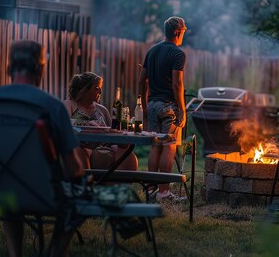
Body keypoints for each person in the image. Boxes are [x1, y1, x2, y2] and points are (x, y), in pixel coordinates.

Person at [0, 40, 89, 257]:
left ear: (10, 69)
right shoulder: (52, 107)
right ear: (40, 69)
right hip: (43, 193)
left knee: (9, 181)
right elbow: (74, 169)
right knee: (82, 188)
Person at [139, 16, 187, 203]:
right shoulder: (178, 54)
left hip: (152, 105)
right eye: (183, 31)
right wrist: (182, 110)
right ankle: (164, 192)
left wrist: (144, 107)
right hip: (169, 107)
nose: (183, 34)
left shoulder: (152, 51)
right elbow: (177, 84)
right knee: (169, 146)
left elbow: (141, 80)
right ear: (177, 32)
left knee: (155, 146)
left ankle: (151, 190)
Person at [63, 72, 138, 171]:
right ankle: (86, 183)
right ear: (85, 90)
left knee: (128, 155)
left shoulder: (102, 110)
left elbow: (110, 131)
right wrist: (85, 125)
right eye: (97, 88)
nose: (100, 92)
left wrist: (118, 135)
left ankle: (117, 185)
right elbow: (65, 124)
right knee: (78, 151)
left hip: (104, 147)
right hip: (82, 146)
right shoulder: (70, 105)